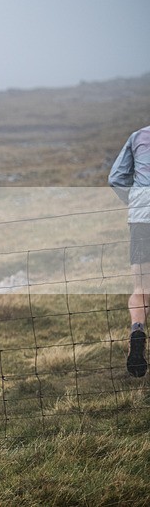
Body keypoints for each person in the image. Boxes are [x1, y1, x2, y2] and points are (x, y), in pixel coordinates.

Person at [109, 125, 150, 378]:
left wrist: (136, 200)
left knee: (141, 289)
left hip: (141, 219)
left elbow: (115, 179)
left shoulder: (138, 136)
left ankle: (137, 331)